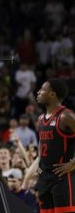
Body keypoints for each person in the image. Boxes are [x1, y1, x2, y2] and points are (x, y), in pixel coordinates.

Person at [32, 79, 75, 212]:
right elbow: (42, 146)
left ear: (52, 94)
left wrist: (73, 163)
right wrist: (38, 167)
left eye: (43, 90)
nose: (38, 92)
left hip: (62, 178)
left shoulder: (66, 116)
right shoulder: (40, 119)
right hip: (45, 177)